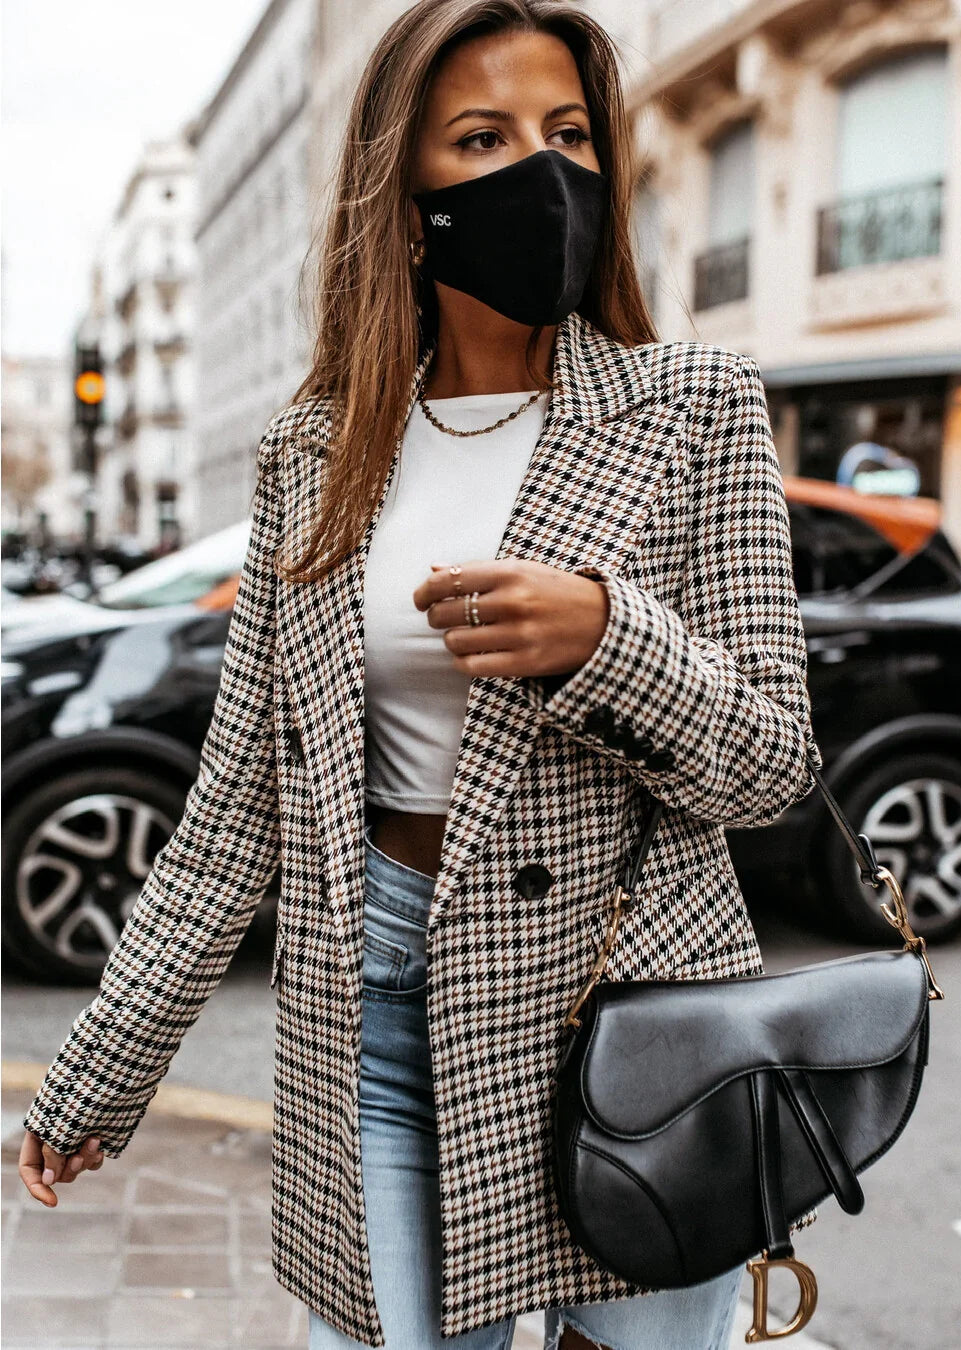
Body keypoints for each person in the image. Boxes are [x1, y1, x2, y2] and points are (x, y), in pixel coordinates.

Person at [18, 2, 822, 1347]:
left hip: (633, 1018)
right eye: (485, 136)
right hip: (380, 1005)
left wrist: (608, 636)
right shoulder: (313, 453)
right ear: (409, 187)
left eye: (569, 132)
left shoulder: (696, 405)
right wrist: (96, 1073)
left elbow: (777, 763)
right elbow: (228, 825)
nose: (542, 168)